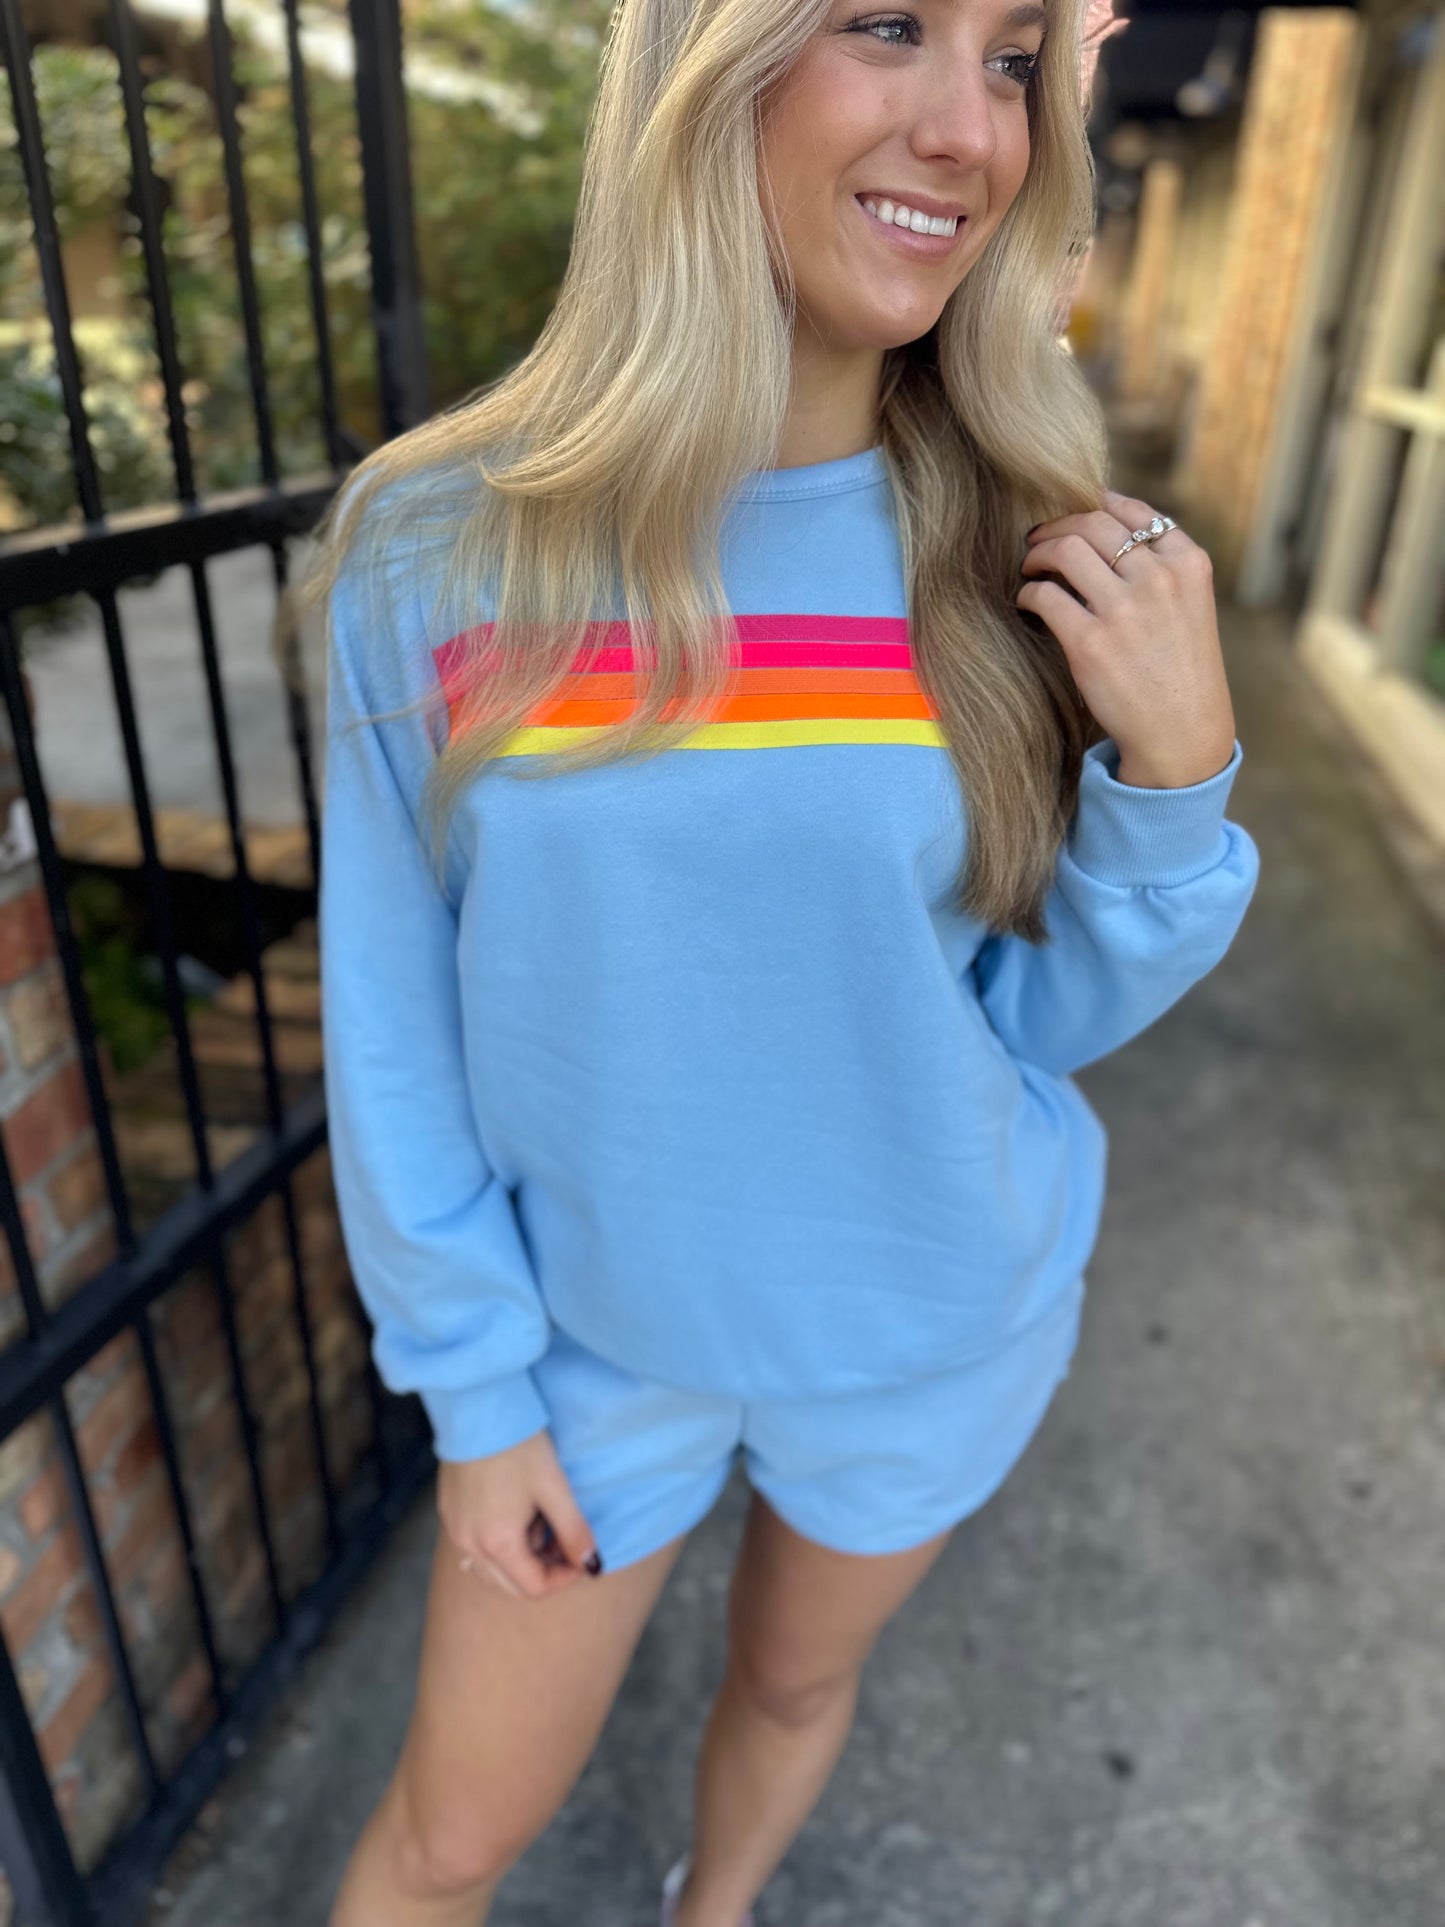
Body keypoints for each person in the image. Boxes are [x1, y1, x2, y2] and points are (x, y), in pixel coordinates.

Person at [300, 0, 1259, 1921]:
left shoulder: (1010, 546)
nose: (968, 130)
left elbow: (1029, 1014)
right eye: (887, 25)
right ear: (704, 63)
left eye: (1010, 60)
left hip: (924, 1319)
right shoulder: (439, 549)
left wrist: (1176, 783)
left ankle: (713, 1908)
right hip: (590, 1344)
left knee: (797, 1684)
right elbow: (390, 1026)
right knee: (445, 1843)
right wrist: (477, 1398)